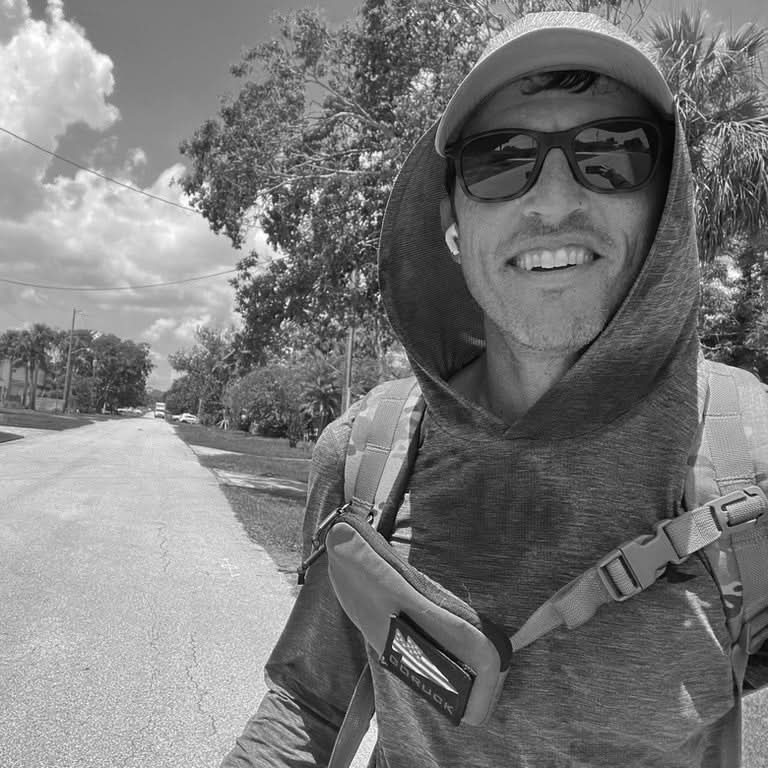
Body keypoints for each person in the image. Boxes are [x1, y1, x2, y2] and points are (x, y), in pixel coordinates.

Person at [221, 11, 768, 768]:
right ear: (452, 222)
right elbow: (310, 705)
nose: (550, 201)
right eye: (500, 160)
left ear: (664, 202)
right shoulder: (365, 457)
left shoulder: (752, 461)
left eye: (610, 152)